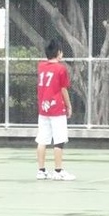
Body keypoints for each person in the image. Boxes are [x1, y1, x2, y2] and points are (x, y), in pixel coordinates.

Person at [35, 38, 76, 181]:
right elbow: (63, 89)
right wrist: (68, 105)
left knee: (42, 139)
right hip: (57, 108)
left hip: (43, 109)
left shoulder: (41, 66)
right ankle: (58, 171)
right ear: (58, 52)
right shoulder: (60, 68)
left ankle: (41, 171)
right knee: (59, 140)